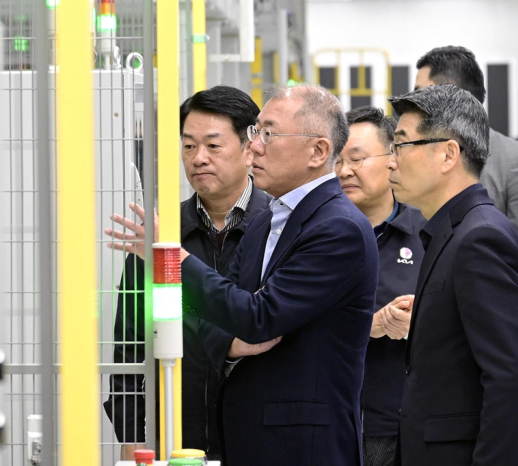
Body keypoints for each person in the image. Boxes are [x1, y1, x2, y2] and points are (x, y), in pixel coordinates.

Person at [108, 84, 379, 465]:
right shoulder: (269, 221)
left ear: (318, 151)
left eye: (268, 133)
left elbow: (256, 316)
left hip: (300, 447)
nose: (256, 146)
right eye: (188, 145)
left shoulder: (337, 227)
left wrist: (173, 258)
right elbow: (217, 317)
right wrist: (233, 341)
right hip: (201, 435)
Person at [102, 85, 272, 460]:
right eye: (189, 146)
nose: (198, 159)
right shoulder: (159, 236)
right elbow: (130, 345)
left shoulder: (279, 228)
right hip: (178, 435)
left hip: (261, 436)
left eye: (213, 146)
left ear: (249, 148)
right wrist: (133, 441)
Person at [388, 84, 518, 465]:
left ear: (447, 154)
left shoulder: (480, 239)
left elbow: (510, 382)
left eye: (401, 145)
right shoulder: (452, 231)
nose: (391, 161)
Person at [415, 46, 518, 360]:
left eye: (421, 92)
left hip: (490, 345)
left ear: (450, 95)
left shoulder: (516, 163)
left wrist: (512, 350)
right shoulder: (419, 158)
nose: (414, 102)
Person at [336, 106, 426, 466]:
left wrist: (419, 319)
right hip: (331, 419)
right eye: (337, 160)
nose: (344, 171)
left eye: (356, 159)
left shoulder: (427, 233)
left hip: (400, 422)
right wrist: (369, 325)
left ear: (392, 157)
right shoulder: (318, 237)